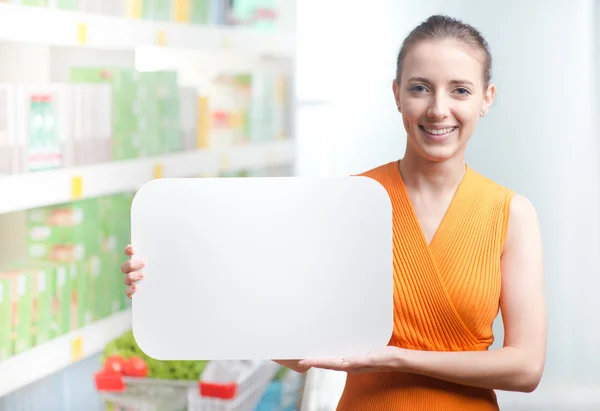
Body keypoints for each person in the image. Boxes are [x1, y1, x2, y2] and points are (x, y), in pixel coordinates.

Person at [121, 14, 547, 411]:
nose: (438, 109)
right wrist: (169, 286)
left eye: (460, 89)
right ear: (396, 94)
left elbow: (526, 368)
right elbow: (292, 341)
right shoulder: (350, 204)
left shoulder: (510, 214)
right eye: (420, 87)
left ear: (486, 98)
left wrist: (399, 360)